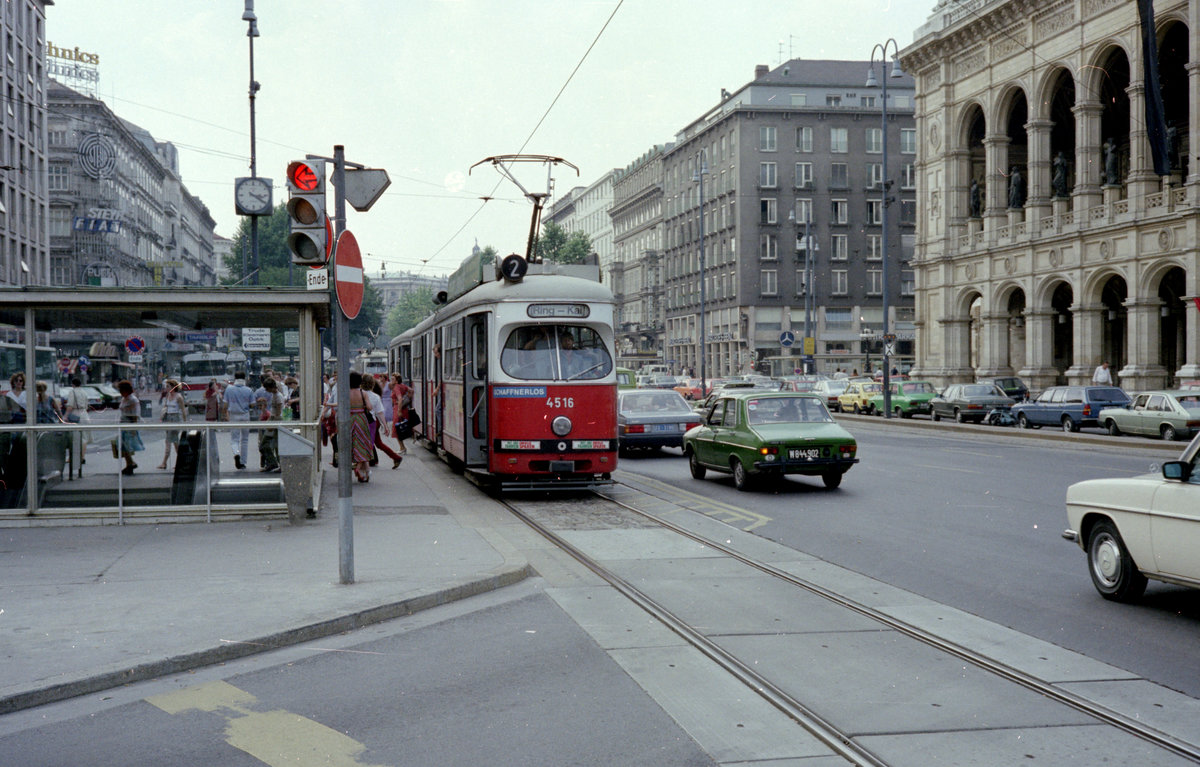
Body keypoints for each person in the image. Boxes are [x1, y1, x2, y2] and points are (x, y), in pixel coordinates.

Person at [363, 374, 403, 469]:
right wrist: (385, 426)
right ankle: (396, 457)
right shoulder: (375, 396)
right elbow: (380, 412)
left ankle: (362, 463)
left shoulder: (360, 394)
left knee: (364, 442)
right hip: (375, 421)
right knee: (378, 443)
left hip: (365, 422)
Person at [223, 373, 254, 470]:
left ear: (235, 378)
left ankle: (236, 453)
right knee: (245, 439)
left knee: (234, 439)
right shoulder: (248, 390)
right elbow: (252, 404)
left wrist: (225, 414)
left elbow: (225, 405)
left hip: (233, 415)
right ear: (244, 378)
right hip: (245, 415)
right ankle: (243, 462)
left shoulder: (229, 389)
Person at [157, 379, 187, 470]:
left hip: (175, 419)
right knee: (174, 442)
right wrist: (162, 417)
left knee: (169, 441)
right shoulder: (168, 396)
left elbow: (183, 410)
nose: (166, 388)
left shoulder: (179, 397)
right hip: (168, 418)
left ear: (173, 387)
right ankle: (181, 462)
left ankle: (164, 462)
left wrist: (185, 422)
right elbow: (165, 407)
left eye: (168, 386)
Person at [115, 379, 143, 476]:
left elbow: (135, 414)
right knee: (122, 445)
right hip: (123, 423)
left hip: (129, 424)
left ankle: (130, 463)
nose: (120, 392)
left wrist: (134, 427)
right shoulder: (124, 399)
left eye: (121, 390)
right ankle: (130, 463)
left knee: (126, 445)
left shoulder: (133, 399)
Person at [257, 377, 284, 473]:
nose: (266, 390)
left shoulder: (278, 396)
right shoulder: (274, 395)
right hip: (273, 420)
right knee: (266, 445)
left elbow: (278, 412)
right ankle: (272, 463)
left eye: (267, 388)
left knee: (274, 445)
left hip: (276, 421)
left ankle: (274, 463)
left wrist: (272, 424)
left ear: (271, 387)